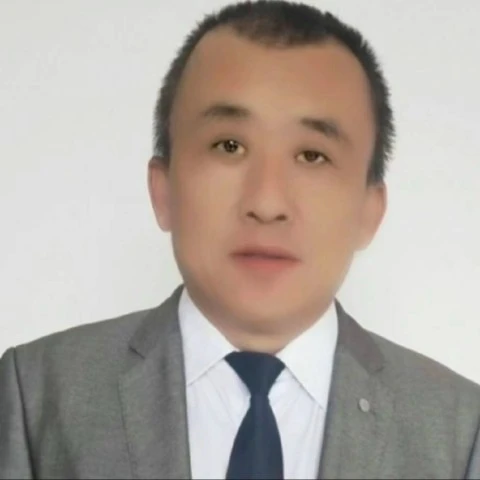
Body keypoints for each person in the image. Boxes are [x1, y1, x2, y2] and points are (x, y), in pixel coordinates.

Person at [1, 0, 479, 478]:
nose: (266, 203)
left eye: (312, 155)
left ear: (370, 211)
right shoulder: (38, 395)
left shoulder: (460, 430)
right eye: (229, 146)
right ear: (163, 191)